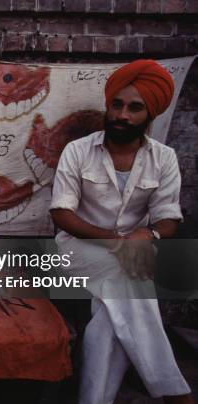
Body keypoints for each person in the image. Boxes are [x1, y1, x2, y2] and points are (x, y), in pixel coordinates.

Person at [50, 60, 193, 404]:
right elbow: (61, 214)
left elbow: (169, 217)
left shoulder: (164, 158)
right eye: (117, 104)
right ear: (108, 104)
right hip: (79, 251)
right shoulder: (79, 151)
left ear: (150, 114)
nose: (122, 115)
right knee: (130, 276)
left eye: (134, 108)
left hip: (134, 255)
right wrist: (119, 243)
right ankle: (175, 392)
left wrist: (149, 236)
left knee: (109, 322)